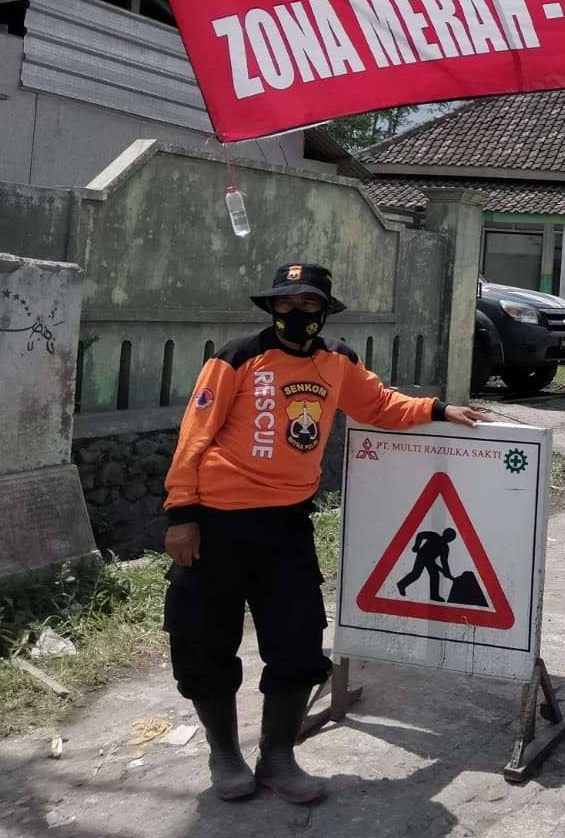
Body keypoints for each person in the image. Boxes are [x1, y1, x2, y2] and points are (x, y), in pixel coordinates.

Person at [162, 262, 488, 805]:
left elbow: (378, 404)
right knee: (202, 640)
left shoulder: (337, 362)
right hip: (217, 523)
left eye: (308, 304)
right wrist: (181, 514)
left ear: (324, 309)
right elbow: (194, 435)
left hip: (287, 526)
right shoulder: (236, 357)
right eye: (285, 304)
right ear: (271, 308)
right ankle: (225, 753)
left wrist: (436, 408)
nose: (295, 313)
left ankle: (279, 756)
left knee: (298, 640)